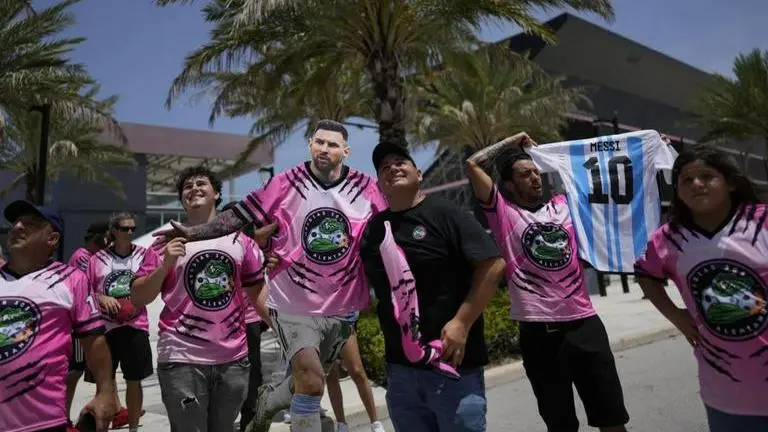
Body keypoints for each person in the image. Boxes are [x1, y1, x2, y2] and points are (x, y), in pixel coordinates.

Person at [155, 120, 387, 432]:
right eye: (319, 142)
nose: (324, 148)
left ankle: (270, 402)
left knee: (309, 381)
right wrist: (195, 232)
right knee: (312, 381)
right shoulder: (285, 182)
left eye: (333, 144)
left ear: (345, 151)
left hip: (342, 306)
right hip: (293, 302)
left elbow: (389, 231)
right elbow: (240, 216)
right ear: (310, 145)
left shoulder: (366, 187)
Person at [464, 133, 629, 432]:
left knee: (612, 420)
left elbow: (590, 175)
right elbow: (473, 165)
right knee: (561, 425)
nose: (535, 178)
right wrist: (512, 141)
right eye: (526, 174)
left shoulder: (566, 205)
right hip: (539, 336)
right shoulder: (504, 213)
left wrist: (546, 154)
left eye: (537, 172)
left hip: (585, 327)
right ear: (510, 185)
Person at [359, 141, 505, 432]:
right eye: (384, 167)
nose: (392, 168)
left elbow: (493, 264)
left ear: (419, 173)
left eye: (400, 162)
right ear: (379, 184)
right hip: (401, 375)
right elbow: (356, 279)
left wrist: (462, 323)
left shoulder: (446, 213)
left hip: (452, 368)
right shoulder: (374, 230)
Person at [634, 144, 768, 432]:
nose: (696, 184)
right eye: (685, 179)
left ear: (730, 182)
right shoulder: (670, 239)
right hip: (725, 396)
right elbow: (645, 274)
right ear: (678, 190)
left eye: (707, 176)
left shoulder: (762, 222)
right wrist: (677, 316)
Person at [130, 166, 267, 432]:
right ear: (182, 199)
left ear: (216, 194)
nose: (193, 188)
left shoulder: (241, 241)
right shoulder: (161, 245)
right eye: (187, 187)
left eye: (201, 183)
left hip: (233, 359)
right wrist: (165, 264)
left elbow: (257, 292)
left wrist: (285, 333)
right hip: (181, 357)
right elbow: (138, 297)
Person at [0, 200, 118, 432]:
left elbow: (94, 342)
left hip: (42, 421)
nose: (17, 227)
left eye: (30, 224)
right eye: (15, 223)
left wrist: (105, 393)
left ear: (52, 239)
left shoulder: (70, 280)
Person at [86, 213, 156, 432]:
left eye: (133, 229)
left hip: (135, 326)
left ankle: (133, 428)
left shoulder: (145, 255)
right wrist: (102, 298)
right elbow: (85, 291)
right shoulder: (97, 260)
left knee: (134, 381)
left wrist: (136, 300)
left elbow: (154, 283)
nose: (130, 233)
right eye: (125, 229)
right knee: (103, 384)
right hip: (105, 329)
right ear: (114, 231)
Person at [66, 222, 127, 429]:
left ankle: (116, 409)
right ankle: (64, 418)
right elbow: (85, 288)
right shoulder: (82, 257)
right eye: (108, 237)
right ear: (99, 237)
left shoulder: (94, 257)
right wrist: (102, 297)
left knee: (106, 368)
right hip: (81, 324)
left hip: (97, 322)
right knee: (74, 371)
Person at [221, 201, 272, 432]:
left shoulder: (253, 246)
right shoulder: (217, 245)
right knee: (225, 373)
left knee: (253, 372)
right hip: (223, 320)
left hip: (250, 318)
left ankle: (249, 420)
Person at [325, 317, 385, 432]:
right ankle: (342, 425)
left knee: (357, 371)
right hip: (319, 320)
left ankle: (375, 423)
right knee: (331, 376)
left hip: (341, 318)